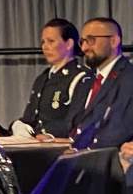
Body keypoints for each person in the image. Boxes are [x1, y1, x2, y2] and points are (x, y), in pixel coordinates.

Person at [11, 18, 92, 139]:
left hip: (57, 145)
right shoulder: (43, 78)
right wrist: (17, 125)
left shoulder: (80, 77)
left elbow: (76, 121)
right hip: (33, 142)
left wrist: (45, 132)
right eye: (43, 42)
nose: (45, 47)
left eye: (51, 41)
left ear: (69, 44)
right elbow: (30, 117)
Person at [68, 17, 133, 150]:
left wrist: (80, 150)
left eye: (91, 40)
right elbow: (74, 122)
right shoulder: (86, 80)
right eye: (82, 42)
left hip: (108, 159)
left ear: (114, 41)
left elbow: (119, 130)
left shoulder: (128, 78)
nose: (85, 48)